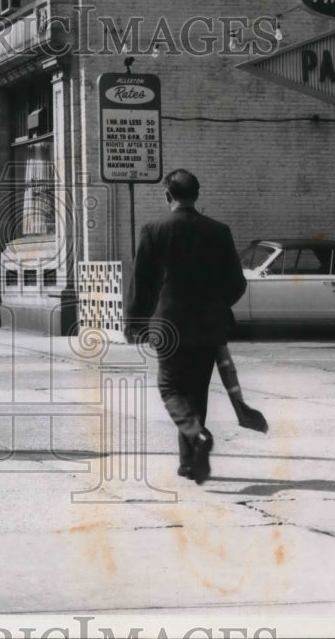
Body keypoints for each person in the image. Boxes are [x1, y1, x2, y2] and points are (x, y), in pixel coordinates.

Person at [125, 169, 247, 485]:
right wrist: (217, 307)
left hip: (168, 326)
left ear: (168, 195)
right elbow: (236, 283)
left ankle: (197, 437)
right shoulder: (219, 231)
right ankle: (190, 462)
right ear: (197, 195)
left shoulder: (153, 230)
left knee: (170, 388)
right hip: (208, 327)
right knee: (196, 393)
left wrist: (134, 322)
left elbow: (141, 284)